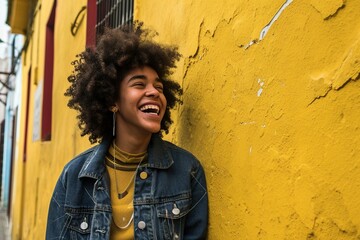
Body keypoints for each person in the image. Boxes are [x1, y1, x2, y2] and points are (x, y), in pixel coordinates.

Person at [46, 22, 208, 240]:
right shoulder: (74, 178)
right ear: (113, 101)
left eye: (159, 87)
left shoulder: (187, 171)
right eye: (139, 84)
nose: (154, 92)